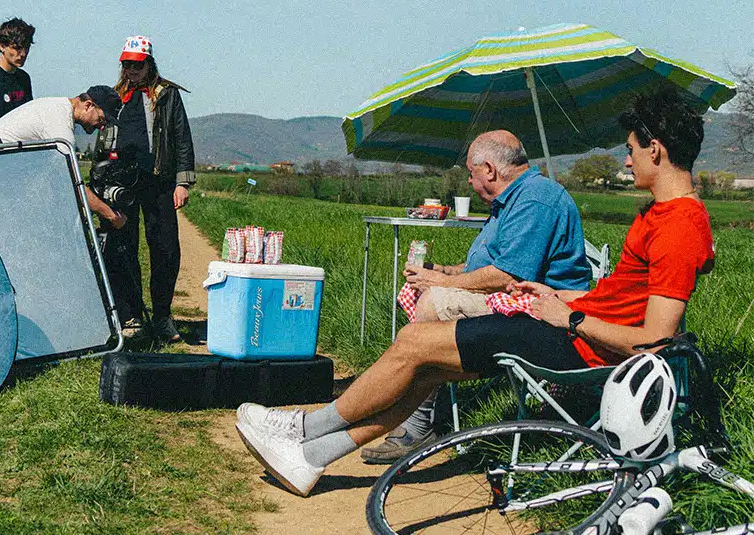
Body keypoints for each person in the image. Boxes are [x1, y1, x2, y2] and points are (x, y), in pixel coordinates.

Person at [236, 88, 713, 497]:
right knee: (425, 369)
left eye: (630, 149)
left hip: (582, 349)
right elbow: (621, 296)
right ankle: (311, 457)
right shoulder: (662, 213)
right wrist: (558, 296)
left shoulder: (678, 226)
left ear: (656, 149)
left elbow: (654, 342)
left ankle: (301, 428)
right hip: (571, 326)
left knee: (415, 344)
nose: (625, 160)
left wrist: (566, 318)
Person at [361, 129, 591, 463]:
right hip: (509, 299)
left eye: (471, 172)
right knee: (426, 293)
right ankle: (414, 408)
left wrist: (440, 282)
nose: (469, 181)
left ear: (489, 169)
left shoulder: (535, 199)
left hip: (539, 309)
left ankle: (418, 421)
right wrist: (444, 270)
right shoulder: (509, 203)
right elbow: (485, 266)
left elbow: (509, 275)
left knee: (432, 304)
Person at [93, 35, 196, 343]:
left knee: (165, 248)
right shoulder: (115, 95)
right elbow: (101, 136)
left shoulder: (167, 95)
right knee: (122, 246)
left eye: (137, 65)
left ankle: (163, 316)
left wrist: (182, 182)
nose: (131, 70)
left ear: (149, 63)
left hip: (159, 181)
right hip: (121, 181)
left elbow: (182, 137)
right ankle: (131, 315)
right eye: (126, 65)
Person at [0, 87, 128, 229]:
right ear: (88, 105)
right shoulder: (59, 122)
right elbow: (73, 184)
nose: (101, 126)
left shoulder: (57, 108)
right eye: (101, 119)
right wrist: (111, 216)